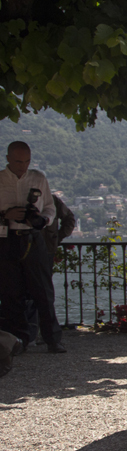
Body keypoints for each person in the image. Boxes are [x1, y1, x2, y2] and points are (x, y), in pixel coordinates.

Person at [0, 141, 66, 353]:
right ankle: (17, 341)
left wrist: (42, 220)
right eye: (18, 161)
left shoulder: (38, 178)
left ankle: (53, 340)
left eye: (27, 161)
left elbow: (49, 207)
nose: (23, 166)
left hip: (32, 237)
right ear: (8, 158)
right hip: (6, 238)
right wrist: (5, 215)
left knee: (43, 291)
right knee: (11, 292)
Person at [24, 193, 76, 345]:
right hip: (27, 249)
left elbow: (69, 219)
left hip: (44, 249)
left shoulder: (51, 199)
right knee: (33, 292)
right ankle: (32, 333)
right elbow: (69, 219)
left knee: (42, 292)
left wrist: (57, 237)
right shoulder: (49, 199)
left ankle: (37, 334)